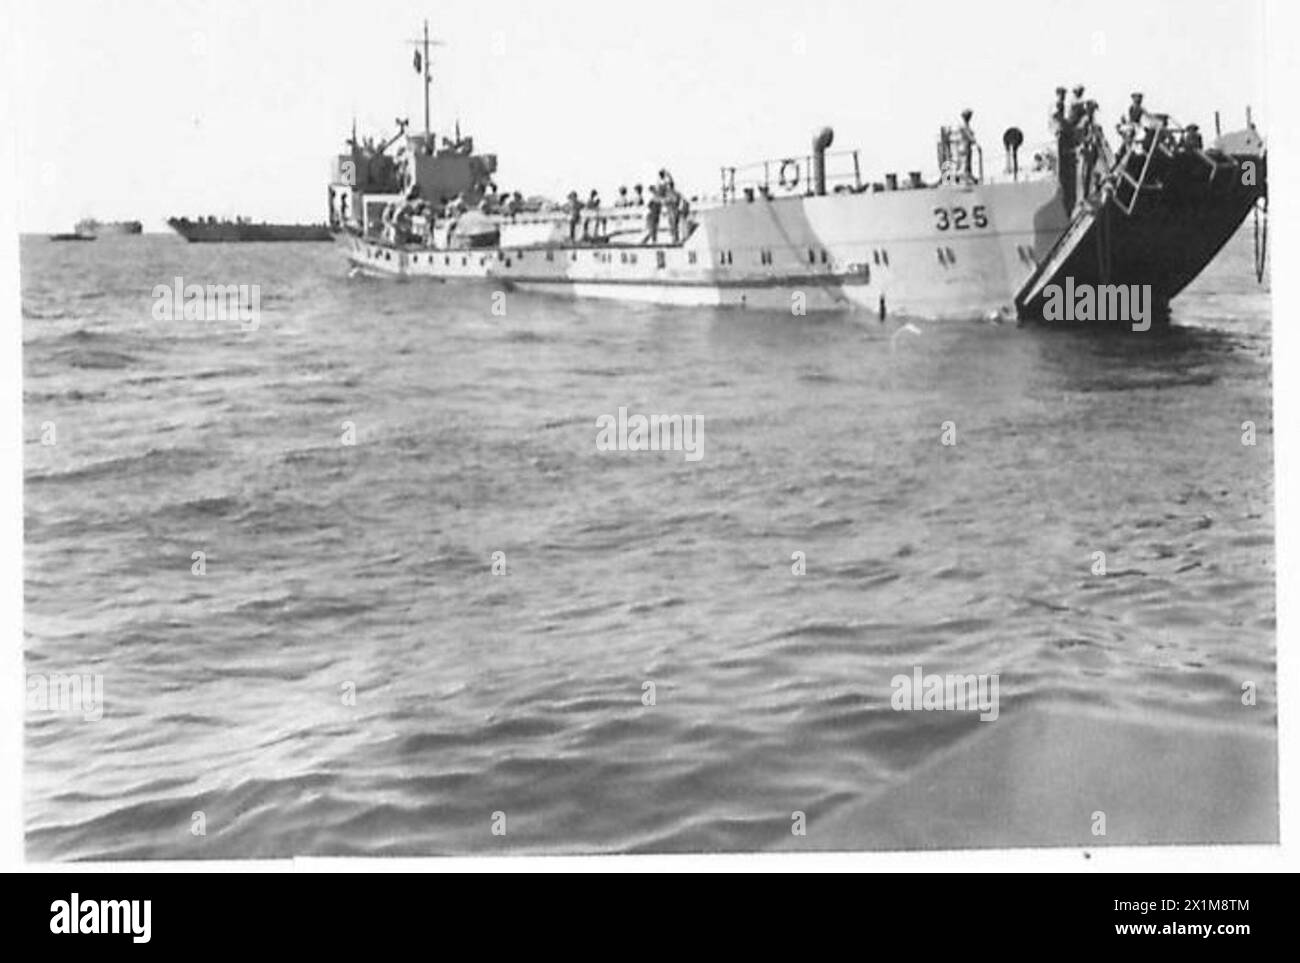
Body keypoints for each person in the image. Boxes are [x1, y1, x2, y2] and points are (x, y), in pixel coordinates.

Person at [956, 109, 977, 180]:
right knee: (964, 162)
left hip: (967, 146)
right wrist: (973, 140)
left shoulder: (967, 125)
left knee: (967, 162)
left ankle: (968, 174)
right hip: (963, 146)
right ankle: (962, 176)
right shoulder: (963, 126)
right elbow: (969, 136)